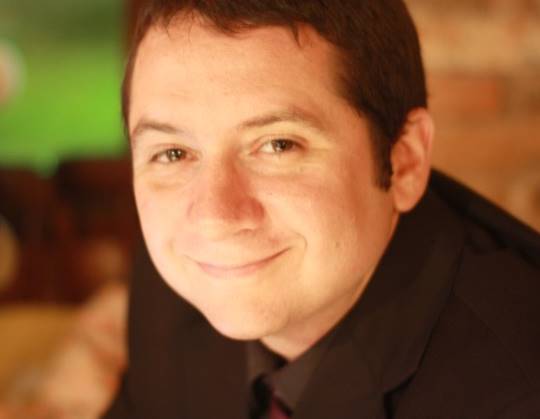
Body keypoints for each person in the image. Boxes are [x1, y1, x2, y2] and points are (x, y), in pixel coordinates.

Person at [103, 1, 540, 418]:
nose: (214, 218)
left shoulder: (516, 396)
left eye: (279, 145)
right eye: (173, 153)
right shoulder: (185, 283)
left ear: (404, 163)